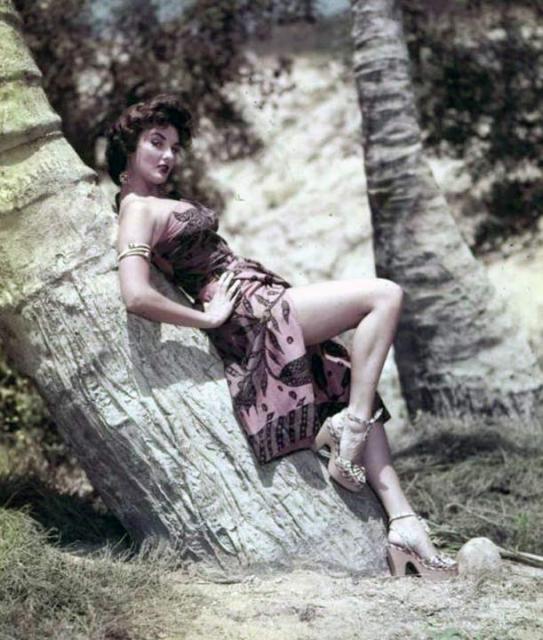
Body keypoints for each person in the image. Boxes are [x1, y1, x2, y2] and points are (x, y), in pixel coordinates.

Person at [106, 93, 457, 578]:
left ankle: (404, 524)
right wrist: (208, 319)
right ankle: (350, 430)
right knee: (385, 295)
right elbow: (135, 295)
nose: (168, 155)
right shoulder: (137, 209)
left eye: (175, 146)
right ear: (128, 148)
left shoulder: (155, 202)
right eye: (156, 142)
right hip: (248, 311)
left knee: (347, 374)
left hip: (260, 297)